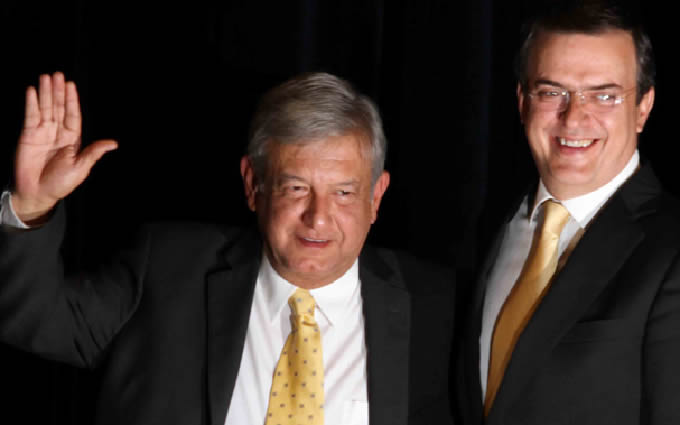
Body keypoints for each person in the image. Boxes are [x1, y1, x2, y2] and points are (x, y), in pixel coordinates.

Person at [0, 71, 455, 425]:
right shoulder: (167, 268)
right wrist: (32, 208)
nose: (318, 218)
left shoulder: (437, 308)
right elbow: (37, 322)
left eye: (343, 193)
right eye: (296, 188)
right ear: (253, 185)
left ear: (376, 198)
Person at [456, 1, 680, 424]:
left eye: (605, 95)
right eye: (552, 92)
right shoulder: (491, 225)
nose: (574, 117)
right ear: (523, 102)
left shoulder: (671, 248)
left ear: (643, 108)